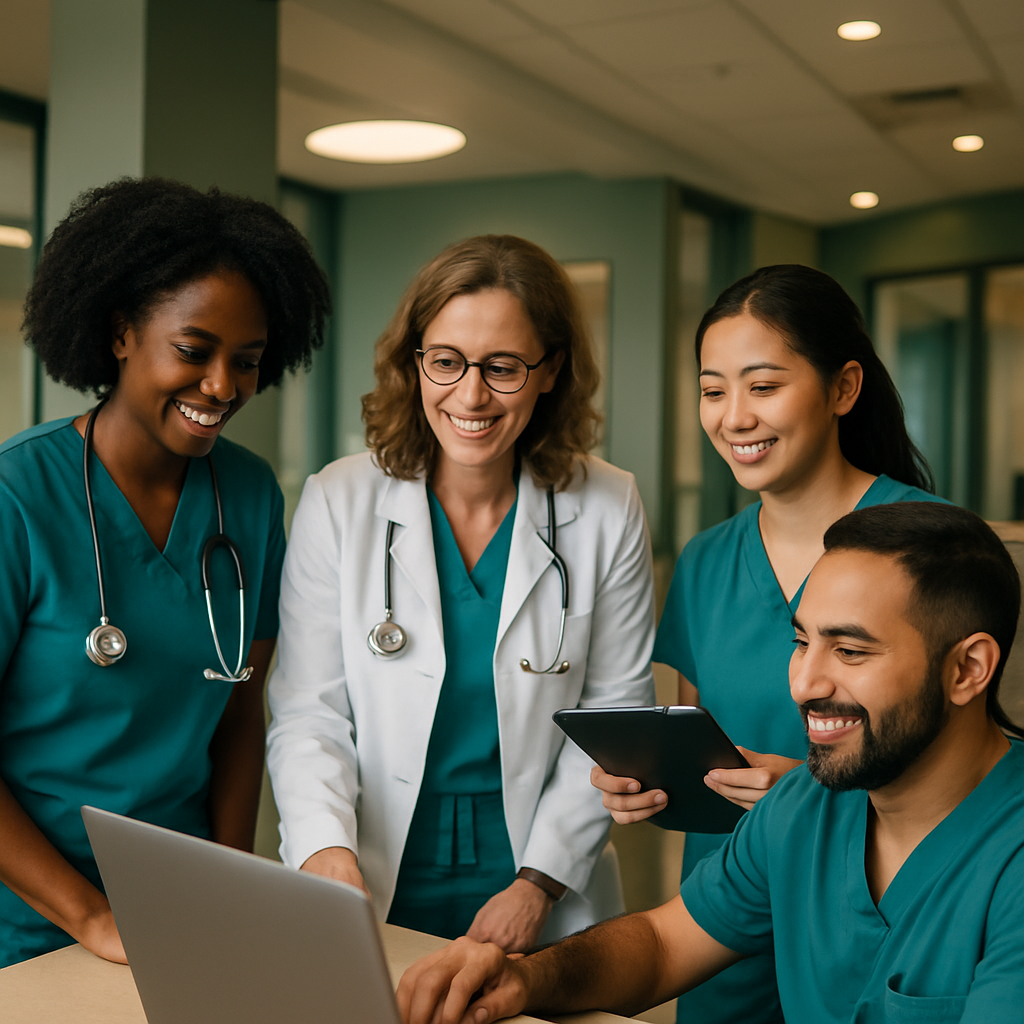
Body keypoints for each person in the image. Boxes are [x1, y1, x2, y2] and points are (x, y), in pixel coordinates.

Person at [399, 501, 1024, 1024]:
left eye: (851, 651)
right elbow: (663, 945)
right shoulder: (804, 806)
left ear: (967, 669)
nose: (804, 683)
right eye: (802, 642)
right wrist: (524, 979)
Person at [266, 234, 655, 951]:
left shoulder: (607, 504)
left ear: (551, 370)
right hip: (372, 862)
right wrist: (325, 850)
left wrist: (538, 884)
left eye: (503, 367)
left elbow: (613, 714)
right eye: (445, 362)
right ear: (414, 363)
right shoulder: (339, 499)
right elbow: (307, 710)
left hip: (538, 870)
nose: (470, 395)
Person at [592, 264, 941, 1022]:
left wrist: (814, 798)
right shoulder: (708, 560)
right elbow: (708, 748)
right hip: (726, 924)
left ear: (844, 388)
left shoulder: (932, 542)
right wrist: (654, 787)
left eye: (764, 385)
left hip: (885, 911)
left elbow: (975, 768)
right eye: (714, 391)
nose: (734, 417)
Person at [0, 178, 331, 968]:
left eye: (247, 362)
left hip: (179, 909)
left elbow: (241, 710)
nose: (223, 387)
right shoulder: (19, 497)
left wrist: (228, 880)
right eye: (194, 351)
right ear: (120, 333)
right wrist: (94, 919)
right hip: (30, 919)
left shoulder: (247, 495)